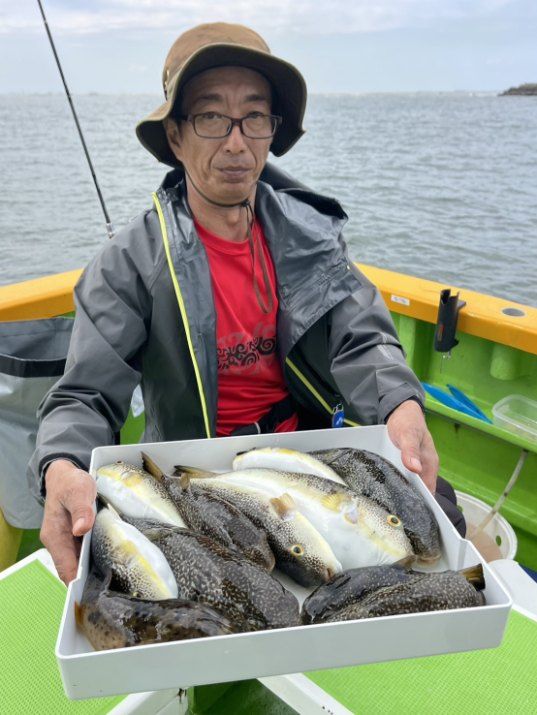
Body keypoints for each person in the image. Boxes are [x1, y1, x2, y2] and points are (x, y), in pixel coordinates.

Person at [30, 22, 462, 585]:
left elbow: (363, 337)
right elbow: (85, 393)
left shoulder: (311, 235)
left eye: (254, 116)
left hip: (305, 458)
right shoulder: (129, 261)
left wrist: (400, 403)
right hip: (191, 476)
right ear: (176, 136)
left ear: (272, 131)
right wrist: (61, 464)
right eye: (211, 117)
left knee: (441, 522)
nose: (236, 142)